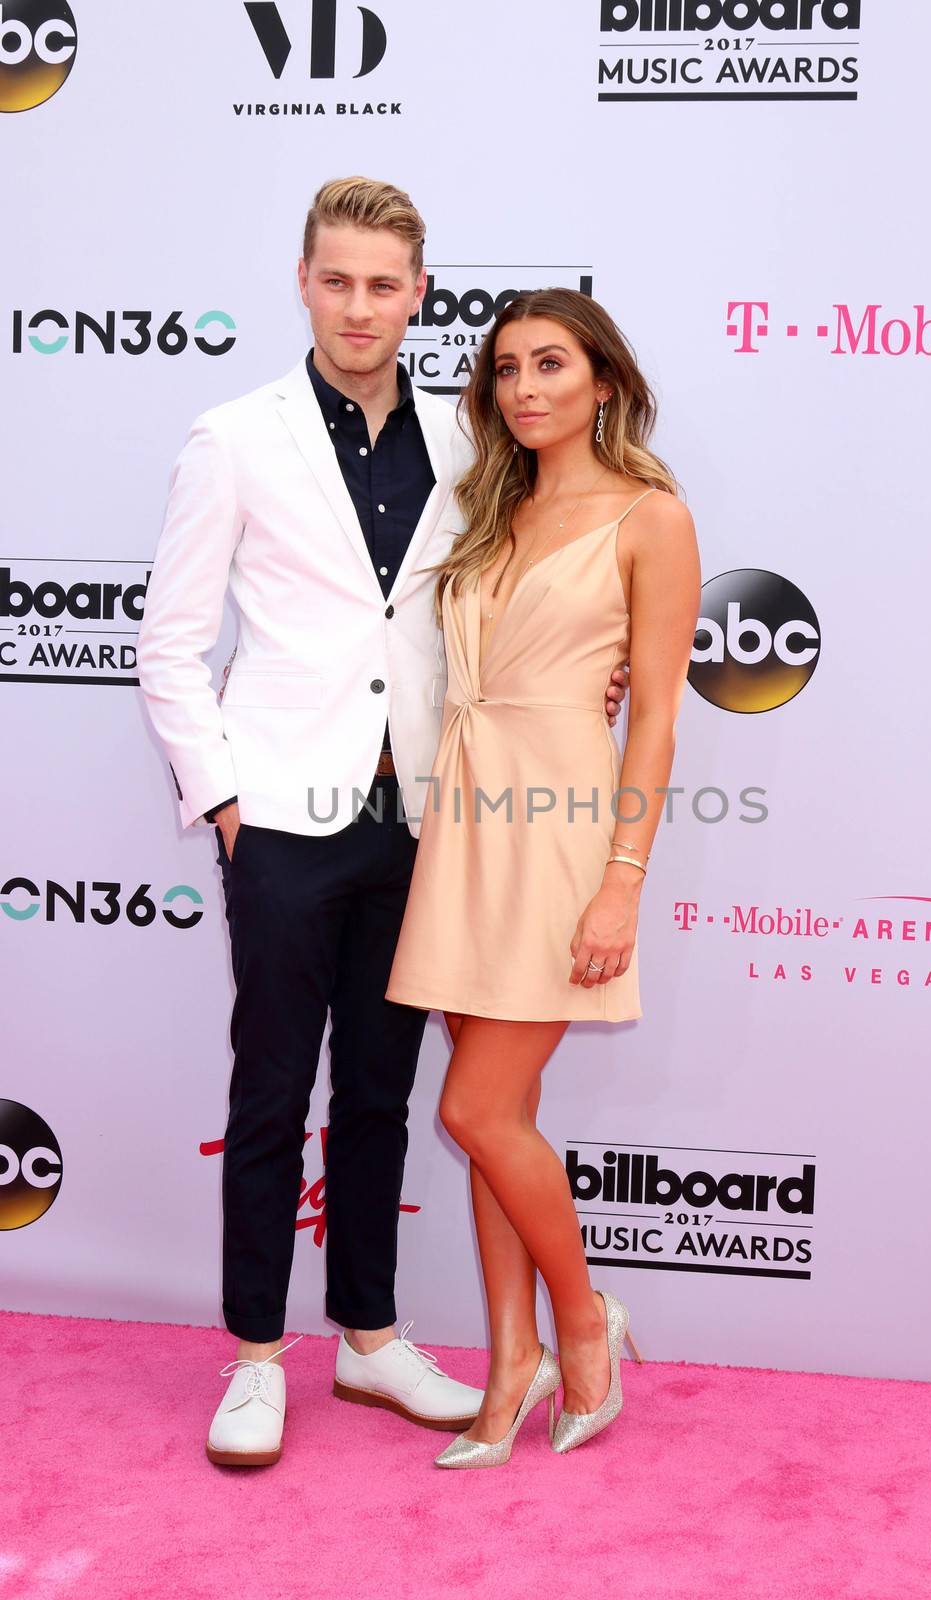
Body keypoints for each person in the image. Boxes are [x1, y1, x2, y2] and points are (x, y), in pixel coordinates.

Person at [137, 175, 631, 1468]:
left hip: (426, 820)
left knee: (382, 1095)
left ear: (420, 294)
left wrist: (597, 673)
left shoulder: (473, 447)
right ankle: (255, 1354)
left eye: (384, 285)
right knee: (267, 1091)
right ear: (302, 282)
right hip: (284, 821)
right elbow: (171, 647)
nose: (360, 307)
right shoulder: (232, 437)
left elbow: (529, 594)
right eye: (337, 280)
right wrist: (227, 803)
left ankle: (367, 1334)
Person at [386, 289, 701, 1468]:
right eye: (507, 367)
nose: (525, 388)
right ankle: (508, 1364)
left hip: (563, 822)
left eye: (552, 365)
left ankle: (584, 1323)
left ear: (603, 381)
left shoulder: (650, 517)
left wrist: (620, 881)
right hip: (464, 818)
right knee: (497, 1118)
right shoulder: (482, 508)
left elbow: (658, 718)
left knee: (471, 1108)